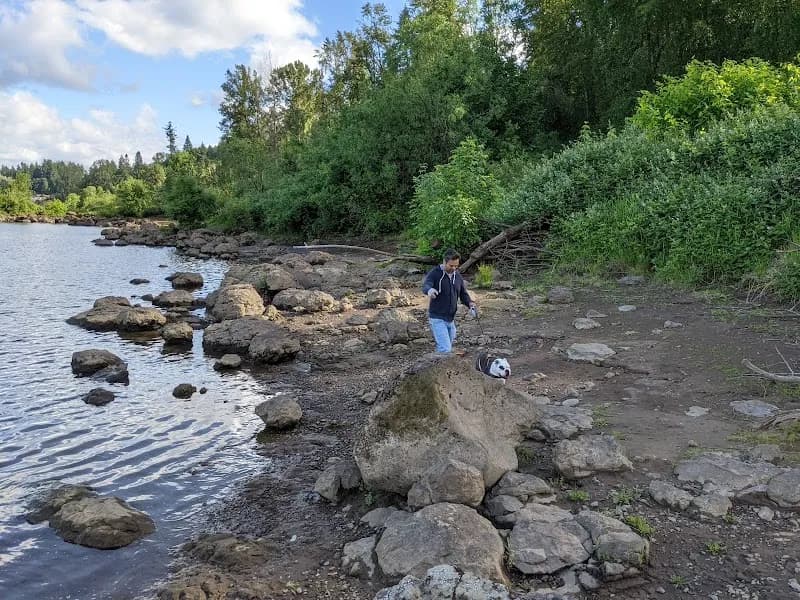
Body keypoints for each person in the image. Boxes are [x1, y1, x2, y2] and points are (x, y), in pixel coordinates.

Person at [422, 248, 478, 354]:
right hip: (437, 318)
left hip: (450, 319)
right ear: (444, 261)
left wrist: (470, 303)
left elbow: (463, 294)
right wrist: (429, 290)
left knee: (445, 349)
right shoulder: (435, 273)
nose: (454, 268)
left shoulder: (457, 276)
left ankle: (436, 362)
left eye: (456, 266)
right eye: (451, 265)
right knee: (446, 349)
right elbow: (426, 285)